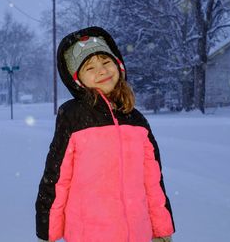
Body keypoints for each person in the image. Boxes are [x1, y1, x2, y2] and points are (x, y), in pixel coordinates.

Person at [35, 26, 175, 242]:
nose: (101, 70)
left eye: (106, 62)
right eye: (90, 67)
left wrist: (161, 229)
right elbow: (57, 177)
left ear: (118, 65)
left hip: (138, 233)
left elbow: (153, 181)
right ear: (77, 79)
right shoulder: (73, 116)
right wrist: (47, 232)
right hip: (89, 233)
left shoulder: (135, 119)